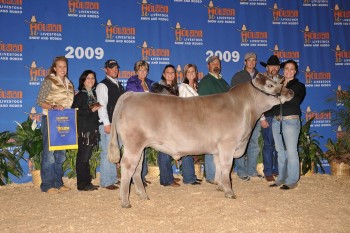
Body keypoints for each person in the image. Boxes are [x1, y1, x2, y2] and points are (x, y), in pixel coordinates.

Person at [36, 56, 75, 194]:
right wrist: (53, 106)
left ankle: (58, 182)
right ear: (54, 68)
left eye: (65, 66)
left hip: (64, 121)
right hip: (50, 119)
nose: (63, 69)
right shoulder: (49, 81)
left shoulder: (69, 84)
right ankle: (47, 184)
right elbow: (40, 101)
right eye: (60, 66)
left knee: (61, 154)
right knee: (49, 154)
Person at [270, 60, 306, 189]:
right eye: (286, 68)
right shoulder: (276, 85)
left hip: (290, 120)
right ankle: (281, 178)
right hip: (276, 121)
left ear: (295, 72)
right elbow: (271, 104)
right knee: (280, 151)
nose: (288, 71)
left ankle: (292, 180)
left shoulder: (299, 86)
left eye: (291, 69)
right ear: (283, 70)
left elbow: (295, 101)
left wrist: (279, 98)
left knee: (291, 151)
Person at [197, 55, 230, 184]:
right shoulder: (206, 81)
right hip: (211, 120)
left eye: (218, 63)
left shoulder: (223, 82)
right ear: (208, 66)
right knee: (211, 147)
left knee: (219, 148)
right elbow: (203, 103)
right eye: (213, 63)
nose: (216, 65)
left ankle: (218, 174)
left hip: (224, 121)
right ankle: (211, 175)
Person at [230, 52, 261, 181]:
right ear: (244, 62)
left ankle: (251, 170)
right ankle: (241, 171)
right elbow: (233, 96)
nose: (252, 62)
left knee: (254, 143)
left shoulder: (260, 77)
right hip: (242, 115)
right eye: (249, 60)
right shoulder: (238, 76)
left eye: (254, 60)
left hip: (257, 114)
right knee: (241, 142)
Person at [96, 59, 125, 190]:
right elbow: (101, 106)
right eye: (112, 67)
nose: (115, 70)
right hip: (109, 124)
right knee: (107, 152)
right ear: (105, 69)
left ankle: (112, 178)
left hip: (118, 124)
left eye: (116, 68)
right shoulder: (103, 85)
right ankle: (106, 181)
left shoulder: (118, 84)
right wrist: (106, 123)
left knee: (113, 151)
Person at [151, 64, 181, 187]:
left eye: (172, 73)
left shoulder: (174, 87)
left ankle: (168, 176)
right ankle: (166, 180)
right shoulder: (159, 87)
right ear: (164, 74)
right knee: (164, 150)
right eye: (167, 73)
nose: (170, 75)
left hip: (172, 121)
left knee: (168, 149)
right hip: (162, 122)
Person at [71, 70, 101, 191]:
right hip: (84, 130)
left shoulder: (94, 94)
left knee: (86, 157)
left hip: (92, 129)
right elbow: (75, 112)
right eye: (88, 78)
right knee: (83, 158)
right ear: (83, 80)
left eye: (93, 78)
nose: (91, 80)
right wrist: (90, 111)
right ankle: (82, 184)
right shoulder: (80, 95)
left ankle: (86, 182)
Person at [126, 60, 154, 186]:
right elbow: (132, 99)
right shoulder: (132, 82)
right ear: (136, 71)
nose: (143, 72)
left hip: (148, 119)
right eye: (140, 70)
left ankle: (140, 176)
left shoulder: (150, 83)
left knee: (143, 149)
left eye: (145, 70)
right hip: (136, 119)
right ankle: (132, 176)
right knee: (135, 149)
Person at [259, 55, 284, 182]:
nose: (274, 68)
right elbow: (258, 99)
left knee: (279, 145)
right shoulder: (262, 80)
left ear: (279, 67)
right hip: (267, 115)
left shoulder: (283, 80)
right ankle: (268, 172)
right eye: (271, 66)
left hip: (280, 115)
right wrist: (261, 117)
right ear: (267, 67)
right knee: (268, 144)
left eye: (276, 66)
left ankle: (278, 170)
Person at [178, 64, 201, 185]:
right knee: (187, 149)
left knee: (192, 150)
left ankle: (191, 175)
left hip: (197, 121)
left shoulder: (198, 86)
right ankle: (188, 178)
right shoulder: (183, 87)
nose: (191, 74)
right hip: (187, 121)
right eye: (189, 72)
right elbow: (182, 105)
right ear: (185, 74)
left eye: (193, 71)